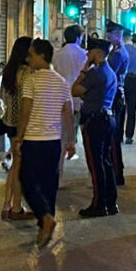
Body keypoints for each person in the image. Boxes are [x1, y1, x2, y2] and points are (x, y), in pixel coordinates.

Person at [16, 39, 75, 247]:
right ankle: (45, 226)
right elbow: (68, 113)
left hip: (33, 139)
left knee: (27, 181)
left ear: (42, 56)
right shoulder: (61, 81)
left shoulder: (31, 81)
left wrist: (19, 137)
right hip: (53, 141)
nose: (28, 58)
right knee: (50, 184)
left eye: (31, 54)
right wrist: (71, 140)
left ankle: (45, 219)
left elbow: (26, 110)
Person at [72, 39, 118, 218]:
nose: (87, 55)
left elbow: (74, 90)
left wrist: (84, 68)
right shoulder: (110, 73)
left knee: (95, 164)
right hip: (107, 118)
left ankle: (99, 204)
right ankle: (110, 201)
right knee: (106, 161)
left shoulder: (94, 73)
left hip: (94, 120)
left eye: (89, 52)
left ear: (97, 53)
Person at [0, 36, 34, 221]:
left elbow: (2, 97)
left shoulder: (8, 71)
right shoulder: (27, 73)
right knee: (20, 168)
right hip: (23, 126)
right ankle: (15, 207)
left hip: (9, 124)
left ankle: (8, 205)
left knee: (16, 166)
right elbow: (28, 103)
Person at [53, 24, 87, 168]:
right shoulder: (84, 54)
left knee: (62, 135)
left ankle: (59, 172)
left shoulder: (57, 54)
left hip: (61, 97)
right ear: (79, 38)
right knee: (84, 132)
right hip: (80, 96)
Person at [106, 21, 129, 185]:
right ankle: (116, 169)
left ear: (118, 35)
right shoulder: (117, 51)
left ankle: (116, 172)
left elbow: (110, 74)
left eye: (110, 34)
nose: (108, 36)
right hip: (117, 95)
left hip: (115, 97)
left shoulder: (118, 54)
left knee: (113, 137)